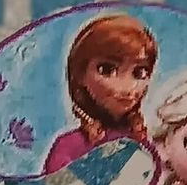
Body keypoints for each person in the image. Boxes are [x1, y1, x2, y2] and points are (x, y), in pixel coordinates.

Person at [41, 13, 158, 173]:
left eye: (140, 72)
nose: (127, 87)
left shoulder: (144, 144)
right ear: (81, 74)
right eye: (107, 70)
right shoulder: (69, 147)